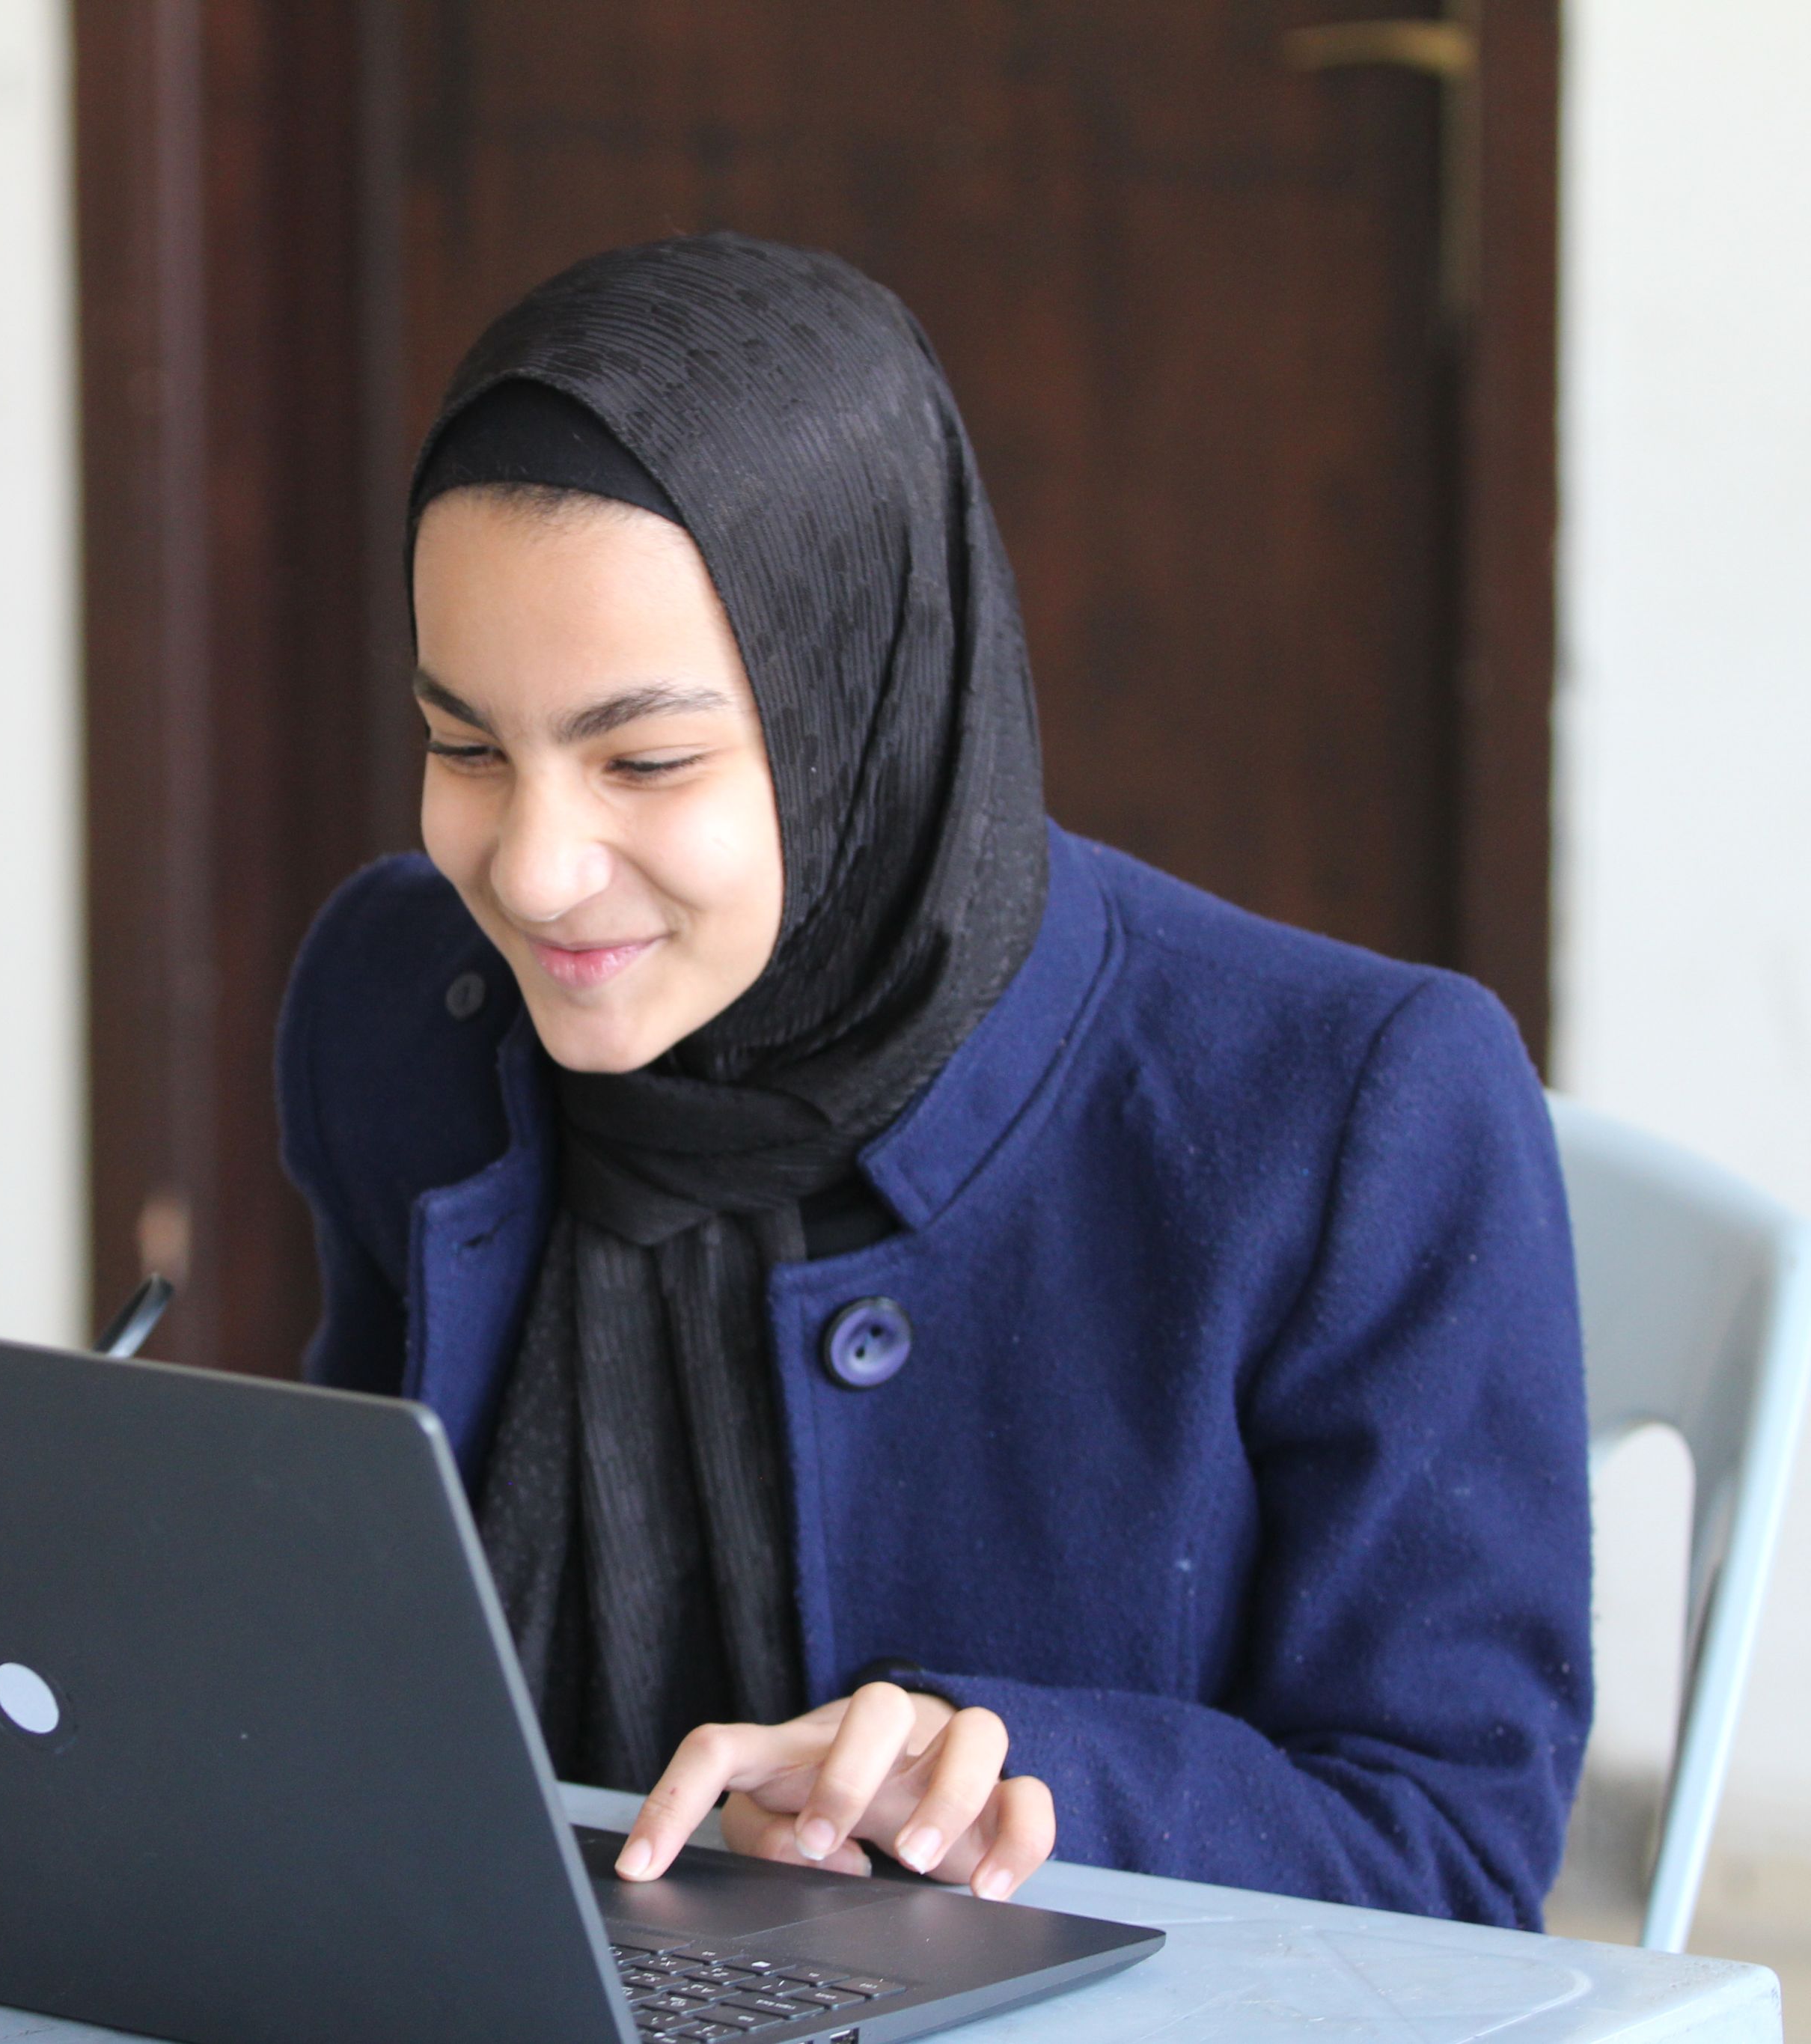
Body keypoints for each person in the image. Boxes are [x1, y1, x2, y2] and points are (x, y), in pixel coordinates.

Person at [275, 234, 1589, 1929]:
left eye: (645, 759)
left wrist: (1011, 1780)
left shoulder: (1350, 1111)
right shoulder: (403, 1006)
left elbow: (1446, 1855)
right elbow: (362, 1628)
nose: (527, 871)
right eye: (462, 744)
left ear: (860, 712)